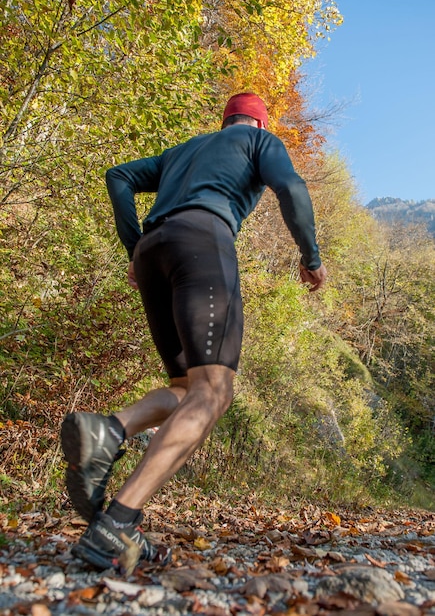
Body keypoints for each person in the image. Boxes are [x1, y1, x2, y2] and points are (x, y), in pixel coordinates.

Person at [61, 93, 327, 573]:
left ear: (224, 120)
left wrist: (134, 246)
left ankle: (111, 428)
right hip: (202, 242)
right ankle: (118, 523)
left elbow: (118, 176)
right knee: (214, 390)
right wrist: (310, 257)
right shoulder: (259, 141)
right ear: (260, 124)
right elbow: (291, 187)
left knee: (186, 388)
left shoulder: (184, 150)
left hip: (154, 251)